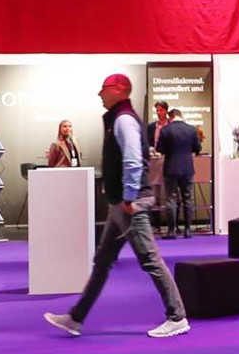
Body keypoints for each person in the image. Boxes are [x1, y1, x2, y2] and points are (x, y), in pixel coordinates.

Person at [42, 74, 190, 339]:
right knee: (103, 261)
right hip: (121, 203)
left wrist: (130, 198)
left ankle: (177, 316)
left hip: (130, 203)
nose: (100, 93)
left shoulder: (123, 120)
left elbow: (133, 160)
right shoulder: (118, 119)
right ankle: (76, 318)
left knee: (150, 260)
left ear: (120, 90)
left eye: (105, 89)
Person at [155, 107, 201, 238]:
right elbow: (197, 147)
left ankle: (171, 231)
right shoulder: (191, 129)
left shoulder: (165, 130)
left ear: (170, 117)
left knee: (171, 199)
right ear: (181, 115)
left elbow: (160, 149)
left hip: (170, 168)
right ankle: (188, 230)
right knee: (188, 198)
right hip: (187, 168)